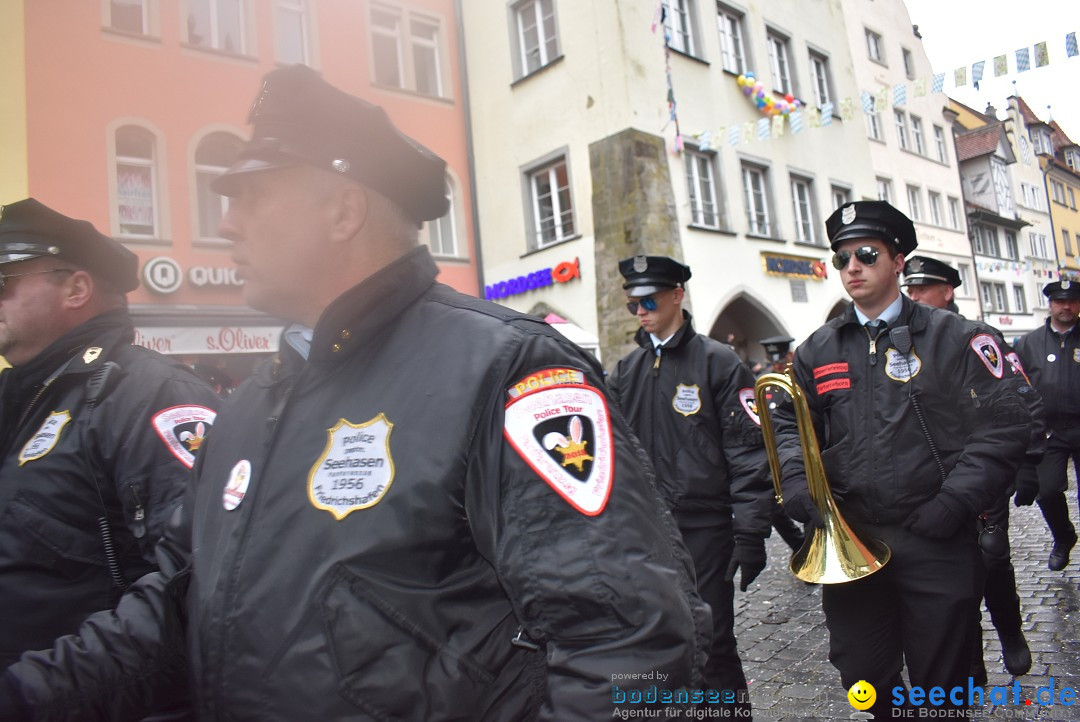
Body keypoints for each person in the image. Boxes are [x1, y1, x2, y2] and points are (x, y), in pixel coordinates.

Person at [0, 65, 708, 720]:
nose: (226, 224)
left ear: (342, 211)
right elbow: (181, 606)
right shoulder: (251, 404)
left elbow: (629, 645)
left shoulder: (507, 368)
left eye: (251, 195)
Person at [771, 201, 1032, 718]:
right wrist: (799, 483)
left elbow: (1005, 426)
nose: (852, 267)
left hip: (936, 534)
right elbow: (786, 426)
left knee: (944, 678)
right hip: (854, 536)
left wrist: (955, 503)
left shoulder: (957, 337)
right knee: (861, 674)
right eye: (841, 257)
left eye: (866, 253)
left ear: (898, 261)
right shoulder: (817, 349)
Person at [0, 199, 219, 670]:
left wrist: (30, 695)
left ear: (76, 288)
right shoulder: (27, 397)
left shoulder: (150, 395)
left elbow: (194, 584)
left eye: (3, 282)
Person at [607, 255, 772, 712]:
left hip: (705, 528)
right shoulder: (626, 370)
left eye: (648, 299)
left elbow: (748, 451)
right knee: (660, 640)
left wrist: (751, 531)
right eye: (632, 303)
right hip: (647, 532)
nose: (639, 310)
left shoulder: (719, 363)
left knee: (713, 641)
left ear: (677, 295)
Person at [902, 254, 1039, 678]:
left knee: (991, 557)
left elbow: (1020, 403)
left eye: (923, 288)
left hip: (977, 472)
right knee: (947, 576)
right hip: (925, 481)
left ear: (948, 290)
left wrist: (1031, 462)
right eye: (911, 288)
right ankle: (968, 657)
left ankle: (1011, 631)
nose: (915, 295)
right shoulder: (897, 341)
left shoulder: (977, 337)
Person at [1014, 280, 1080, 572]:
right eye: (1060, 301)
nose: (1066, 307)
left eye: (1072, 301)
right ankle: (1063, 537)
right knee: (1048, 490)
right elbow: (1017, 386)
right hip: (1049, 430)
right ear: (1050, 304)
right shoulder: (1029, 342)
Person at [758, 335, 807, 554]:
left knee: (806, 502)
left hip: (797, 450)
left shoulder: (798, 377)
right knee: (773, 507)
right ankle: (799, 545)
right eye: (773, 359)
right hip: (769, 451)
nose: (777, 363)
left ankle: (811, 547)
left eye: (780, 358)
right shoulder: (763, 379)